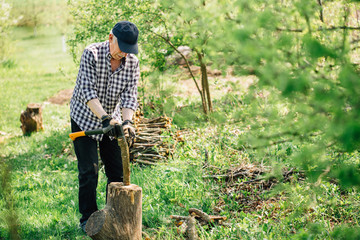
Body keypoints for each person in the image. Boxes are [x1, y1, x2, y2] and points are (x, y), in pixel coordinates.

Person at [70, 21, 140, 232]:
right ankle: (88, 220)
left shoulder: (132, 63)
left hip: (113, 120)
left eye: (130, 50)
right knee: (89, 172)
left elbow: (130, 96)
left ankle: (115, 217)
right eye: (122, 49)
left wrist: (127, 121)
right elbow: (87, 92)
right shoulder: (91, 54)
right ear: (111, 38)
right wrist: (104, 118)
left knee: (117, 173)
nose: (125, 55)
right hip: (85, 117)